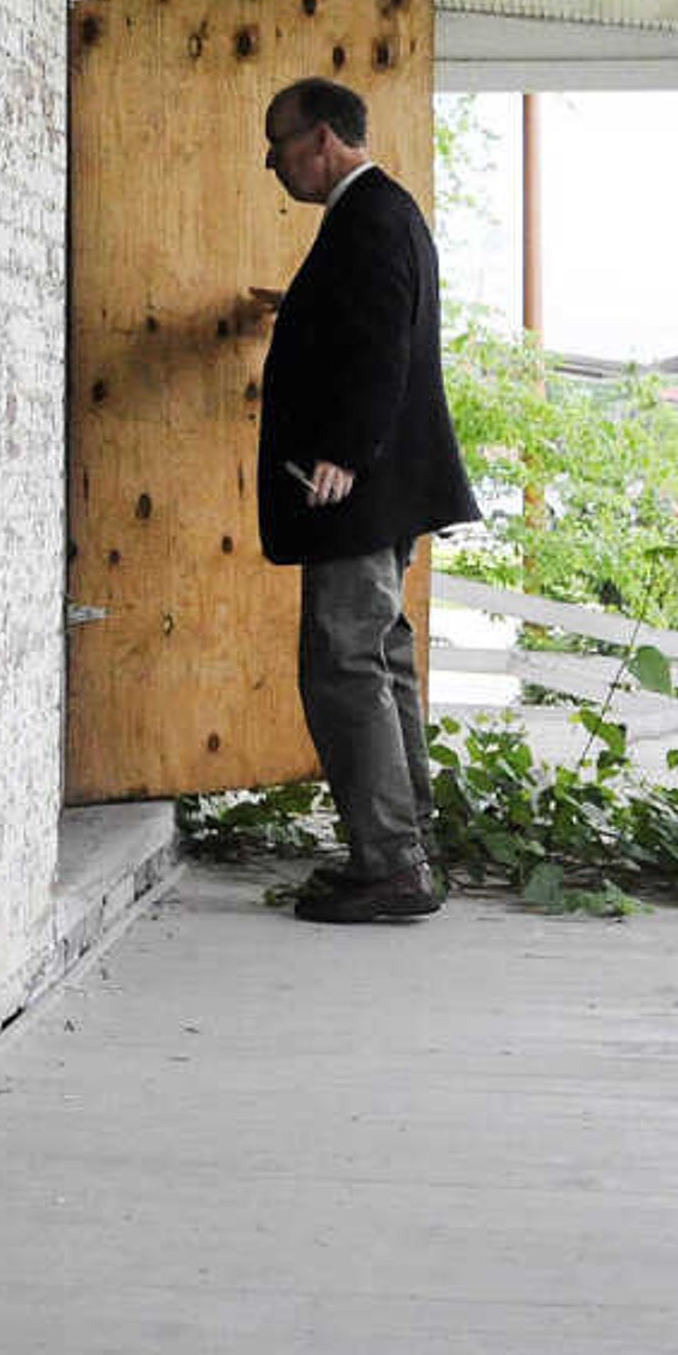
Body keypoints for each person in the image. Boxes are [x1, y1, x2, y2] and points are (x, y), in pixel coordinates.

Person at [252, 76, 475, 923]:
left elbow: (384, 342)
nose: (271, 164)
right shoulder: (384, 211)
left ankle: (391, 864)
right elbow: (362, 327)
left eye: (277, 146)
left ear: (320, 141)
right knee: (379, 658)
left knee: (345, 661)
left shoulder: (369, 216)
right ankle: (406, 842)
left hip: (358, 484)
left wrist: (343, 450)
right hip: (384, 486)